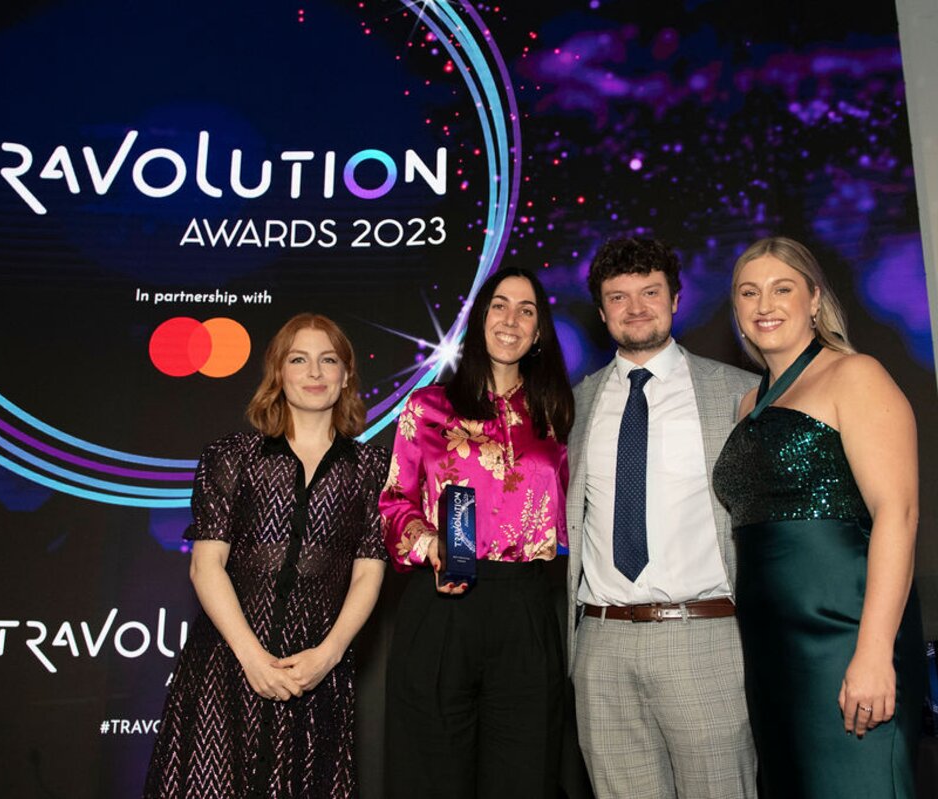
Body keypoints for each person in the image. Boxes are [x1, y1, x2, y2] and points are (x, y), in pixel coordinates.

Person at [712, 236, 924, 798]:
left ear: (813, 299)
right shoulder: (748, 404)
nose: (764, 305)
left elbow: (898, 514)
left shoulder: (856, 374)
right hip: (772, 652)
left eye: (781, 288)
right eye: (748, 293)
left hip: (845, 635)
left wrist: (874, 652)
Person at [144, 313, 389, 798]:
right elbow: (205, 566)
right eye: (299, 360)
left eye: (328, 360)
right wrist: (252, 658)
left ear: (346, 376)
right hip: (227, 667)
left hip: (316, 674)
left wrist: (328, 656)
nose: (314, 372)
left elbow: (368, 572)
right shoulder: (232, 456)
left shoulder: (372, 468)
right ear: (278, 372)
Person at [564, 237, 758, 799]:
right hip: (601, 644)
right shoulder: (574, 405)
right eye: (618, 297)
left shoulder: (739, 394)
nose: (635, 307)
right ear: (601, 312)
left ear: (675, 298)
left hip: (705, 637)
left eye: (650, 292)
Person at [379, 266, 575, 798]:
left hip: (526, 605)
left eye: (526, 310)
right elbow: (394, 501)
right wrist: (429, 543)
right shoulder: (427, 407)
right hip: (443, 603)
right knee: (430, 778)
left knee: (525, 777)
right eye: (499, 306)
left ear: (539, 331)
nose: (511, 320)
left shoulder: (557, 413)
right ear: (480, 317)